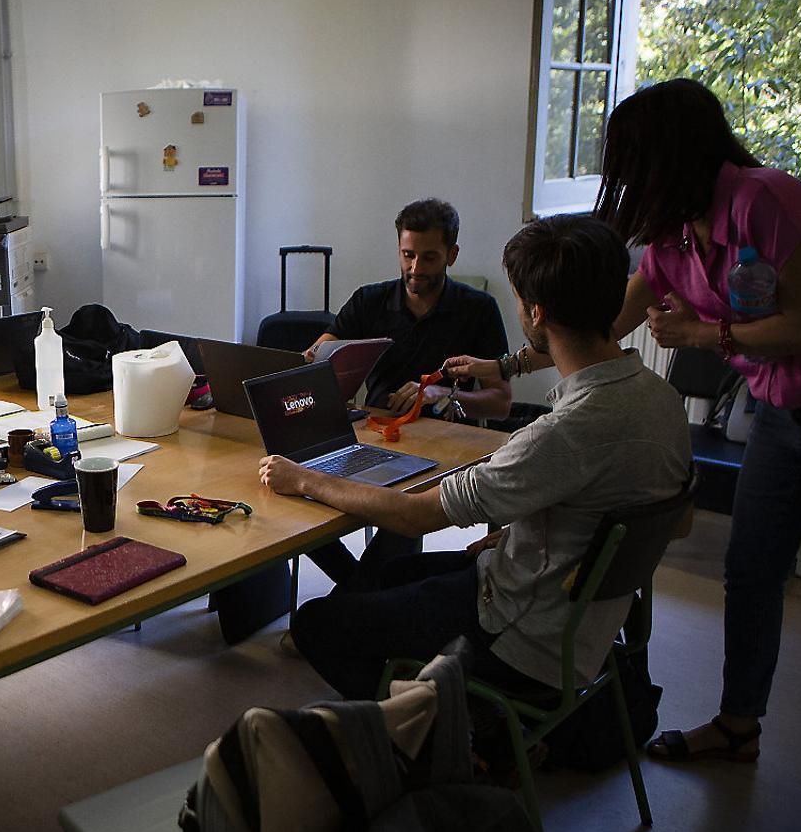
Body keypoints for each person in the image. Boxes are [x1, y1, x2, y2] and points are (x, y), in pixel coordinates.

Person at [451, 78, 801, 762]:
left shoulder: (767, 201)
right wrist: (510, 366)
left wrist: (704, 335)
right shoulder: (675, 236)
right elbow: (596, 321)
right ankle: (738, 725)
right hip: (781, 414)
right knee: (752, 571)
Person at [264, 215, 691, 705]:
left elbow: (418, 516)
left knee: (316, 622)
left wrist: (303, 480)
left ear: (535, 313)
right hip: (568, 617)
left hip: (518, 634)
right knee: (383, 580)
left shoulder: (561, 434)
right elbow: (676, 520)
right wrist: (540, 534)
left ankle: (448, 728)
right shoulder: (661, 400)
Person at [299, 199, 513, 585]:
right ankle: (360, 597)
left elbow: (501, 403)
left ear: (452, 254)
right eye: (407, 255)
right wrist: (318, 358)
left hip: (445, 448)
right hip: (374, 436)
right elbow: (319, 355)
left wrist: (441, 395)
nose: (415, 269)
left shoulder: (478, 309)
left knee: (403, 518)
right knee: (295, 494)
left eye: (429, 258)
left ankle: (352, 608)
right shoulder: (370, 300)